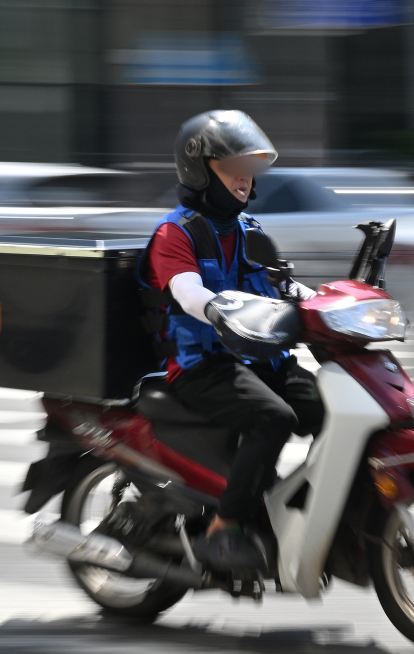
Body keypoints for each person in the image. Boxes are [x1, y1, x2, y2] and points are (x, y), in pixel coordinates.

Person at [138, 110, 323, 572]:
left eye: (250, 170)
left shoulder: (249, 232)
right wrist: (218, 307)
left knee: (332, 409)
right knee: (272, 418)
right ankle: (227, 526)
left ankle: (303, 509)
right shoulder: (174, 233)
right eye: (233, 169)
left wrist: (330, 305)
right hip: (204, 365)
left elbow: (285, 288)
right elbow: (187, 291)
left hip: (260, 358)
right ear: (201, 169)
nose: (245, 179)